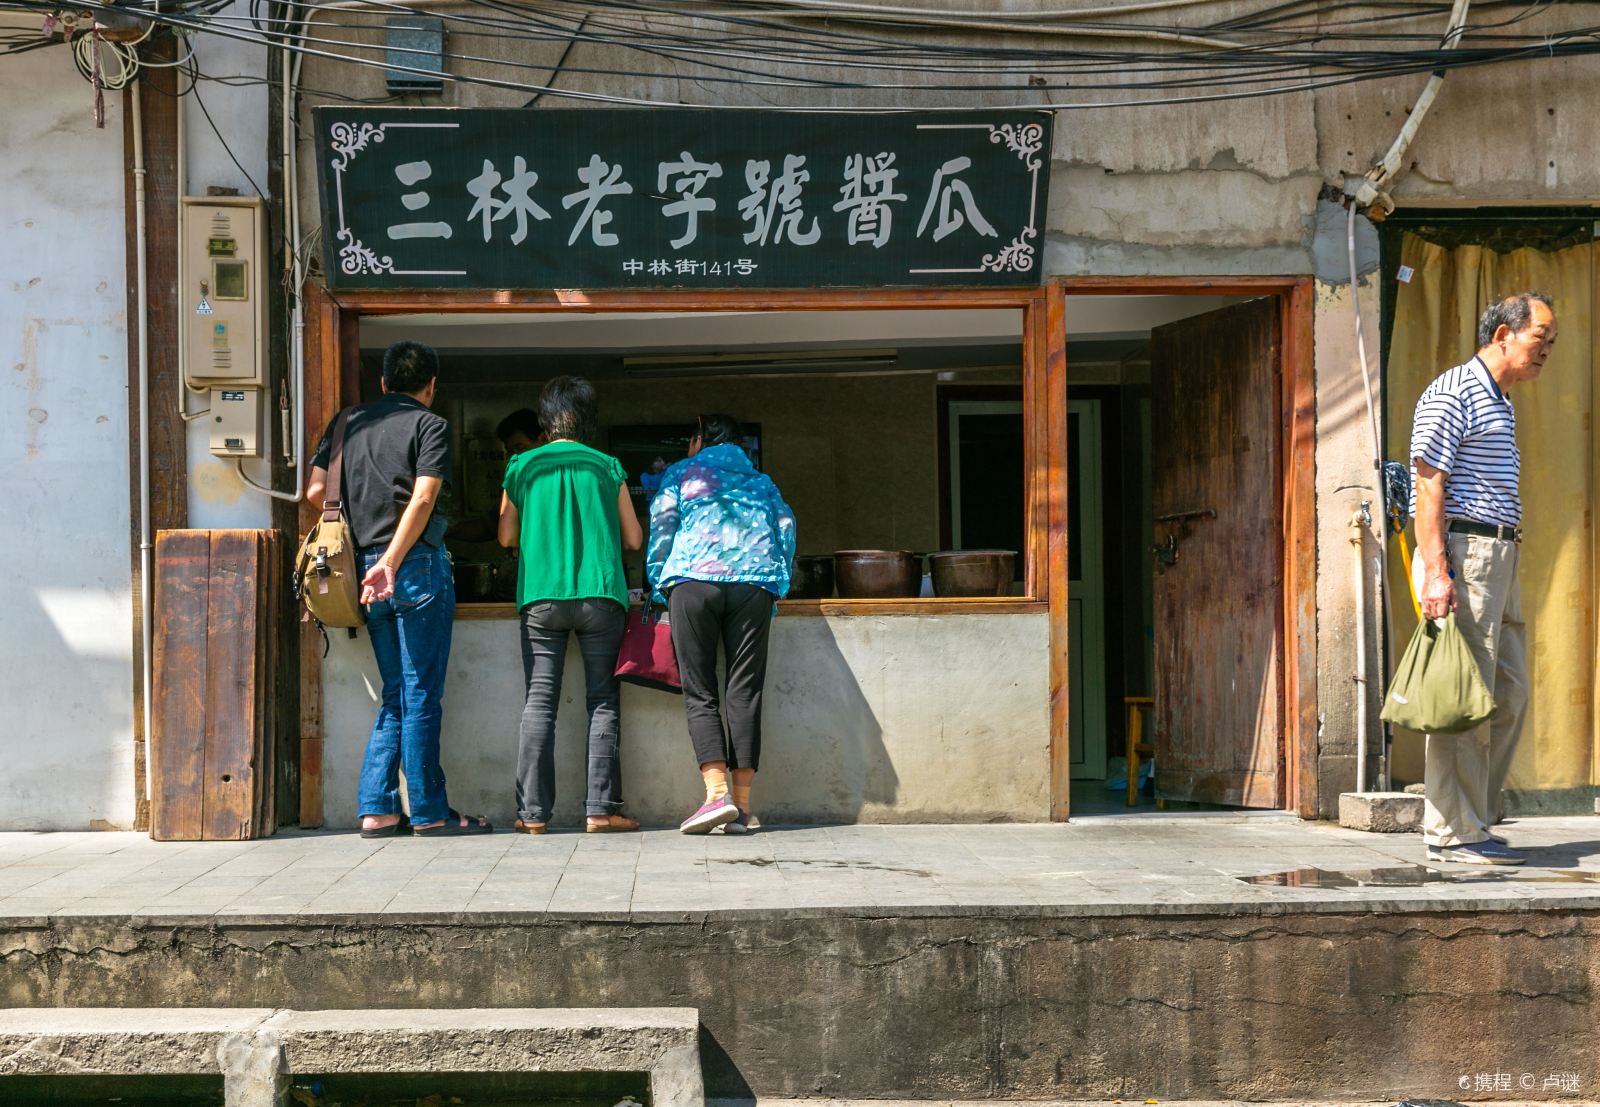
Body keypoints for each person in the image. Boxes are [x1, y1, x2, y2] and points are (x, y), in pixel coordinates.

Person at [306, 340, 491, 837]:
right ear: (431, 385)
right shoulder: (430, 425)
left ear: (384, 382)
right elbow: (424, 497)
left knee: (397, 693)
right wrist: (391, 560)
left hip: (361, 572)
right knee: (420, 692)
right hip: (413, 567)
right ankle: (429, 813)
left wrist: (368, 544)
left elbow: (315, 491)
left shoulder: (346, 423)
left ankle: (378, 809)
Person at [1410, 291, 1557, 866]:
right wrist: (1436, 572)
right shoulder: (1454, 391)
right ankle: (1452, 831)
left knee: (1509, 693)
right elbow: (1428, 485)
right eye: (1540, 338)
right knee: (1464, 698)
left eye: (1550, 341)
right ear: (1502, 335)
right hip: (1465, 554)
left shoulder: (1500, 399)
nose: (1546, 350)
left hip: (1501, 554)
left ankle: (1476, 817)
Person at [499, 376, 644, 833]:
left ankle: (532, 815)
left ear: (546, 421)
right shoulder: (607, 466)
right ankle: (600, 810)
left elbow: (505, 536)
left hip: (541, 596)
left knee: (539, 702)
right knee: (602, 701)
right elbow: (634, 539)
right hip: (600, 593)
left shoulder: (522, 466)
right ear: (587, 420)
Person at [646, 414, 796, 835]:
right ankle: (742, 808)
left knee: (700, 690)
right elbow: (786, 525)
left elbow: (662, 526)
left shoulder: (681, 473)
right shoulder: (761, 481)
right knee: (745, 690)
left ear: (698, 440)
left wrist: (659, 581)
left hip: (693, 582)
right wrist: (778, 579)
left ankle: (716, 796)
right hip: (753, 585)